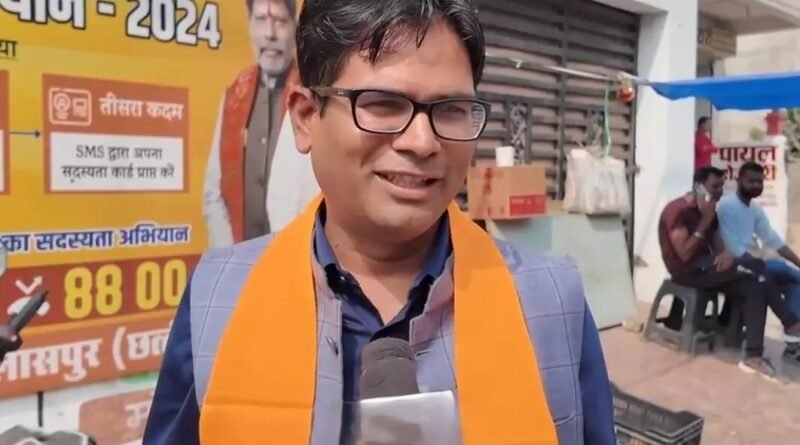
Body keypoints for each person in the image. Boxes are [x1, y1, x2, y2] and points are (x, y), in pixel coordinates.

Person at [144, 0, 616, 444]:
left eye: (451, 110)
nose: (422, 142)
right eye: (384, 104)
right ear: (306, 118)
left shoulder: (552, 303)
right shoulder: (218, 298)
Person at [658, 166, 800, 380]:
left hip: (707, 266)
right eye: (715, 186)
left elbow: (719, 246)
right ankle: (791, 322)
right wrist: (705, 220)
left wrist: (725, 255)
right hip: (685, 272)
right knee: (756, 268)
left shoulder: (711, 210)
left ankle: (753, 356)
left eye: (721, 186)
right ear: (699, 186)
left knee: (755, 284)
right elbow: (684, 255)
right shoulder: (677, 210)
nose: (719, 191)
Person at [202, 0, 319, 249]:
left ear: (295, 29)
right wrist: (230, 256)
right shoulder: (233, 97)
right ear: (249, 25)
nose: (270, 34)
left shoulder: (314, 97)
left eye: (280, 22)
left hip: (295, 254)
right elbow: (214, 194)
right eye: (261, 21)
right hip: (239, 259)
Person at [717, 161, 800, 362]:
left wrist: (798, 261)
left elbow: (772, 239)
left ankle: (793, 344)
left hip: (754, 263)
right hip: (737, 265)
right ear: (739, 181)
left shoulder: (754, 209)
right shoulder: (728, 205)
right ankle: (793, 330)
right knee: (785, 271)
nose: (756, 185)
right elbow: (732, 246)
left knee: (794, 283)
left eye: (759, 182)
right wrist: (757, 265)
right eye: (751, 181)